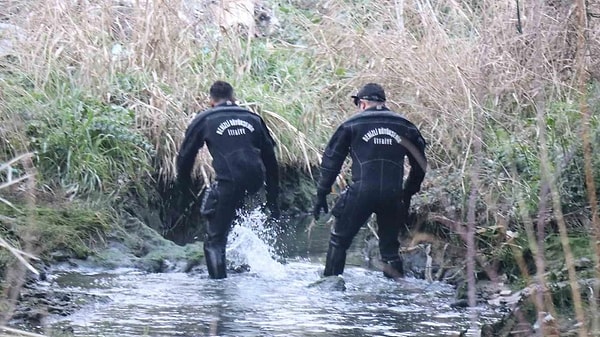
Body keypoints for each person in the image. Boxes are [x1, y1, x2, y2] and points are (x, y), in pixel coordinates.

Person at [312, 83, 427, 279]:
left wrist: (321, 193)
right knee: (390, 250)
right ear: (383, 102)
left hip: (360, 194)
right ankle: (398, 296)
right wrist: (407, 192)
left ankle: (330, 286)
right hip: (392, 195)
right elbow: (420, 164)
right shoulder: (405, 126)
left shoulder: (351, 125)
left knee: (339, 241)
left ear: (363, 104)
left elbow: (331, 163)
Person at [176, 80, 280, 279]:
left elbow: (185, 157)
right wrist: (273, 197)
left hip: (229, 181)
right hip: (255, 180)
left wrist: (182, 190)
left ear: (211, 101)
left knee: (214, 241)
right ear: (234, 99)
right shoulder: (252, 118)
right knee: (229, 217)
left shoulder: (205, 118)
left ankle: (219, 289)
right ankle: (244, 265)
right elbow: (271, 159)